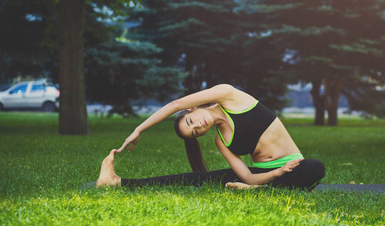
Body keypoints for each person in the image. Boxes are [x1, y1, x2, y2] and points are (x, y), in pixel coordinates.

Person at [96, 84, 325, 190]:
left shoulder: (229, 95)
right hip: (265, 175)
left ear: (191, 110)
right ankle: (117, 182)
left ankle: (266, 190)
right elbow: (247, 175)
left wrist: (139, 129)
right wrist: (274, 174)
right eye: (195, 131)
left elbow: (174, 104)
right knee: (199, 179)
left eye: (190, 121)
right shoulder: (222, 141)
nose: (198, 125)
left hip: (295, 167)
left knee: (315, 167)